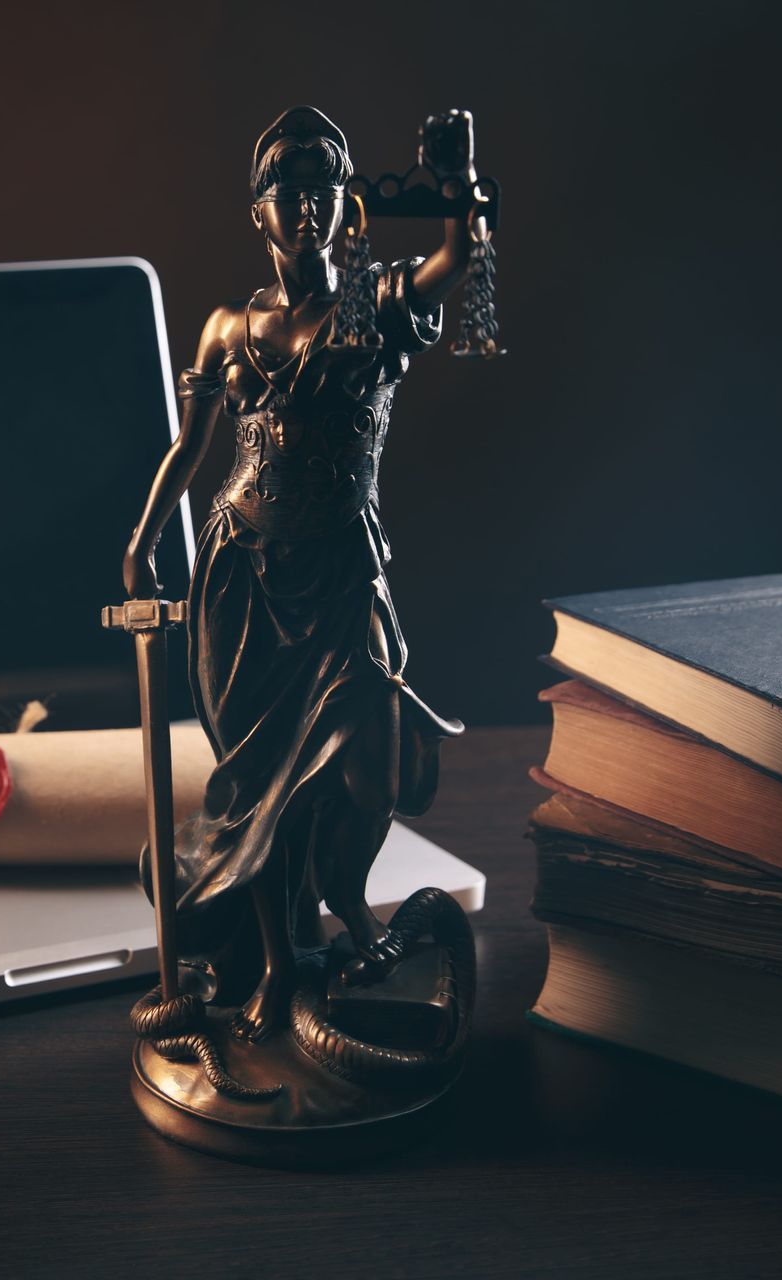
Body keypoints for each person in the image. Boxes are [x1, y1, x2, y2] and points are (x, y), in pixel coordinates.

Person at [121, 106, 481, 1040]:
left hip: (339, 581)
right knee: (260, 791)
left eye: (324, 191)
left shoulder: (367, 308)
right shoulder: (226, 327)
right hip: (240, 581)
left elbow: (457, 269)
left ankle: (351, 909)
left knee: (369, 767)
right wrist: (142, 540)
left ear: (346, 206)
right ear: (260, 215)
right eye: (288, 194)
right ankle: (280, 967)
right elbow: (187, 449)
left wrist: (457, 194)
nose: (307, 209)